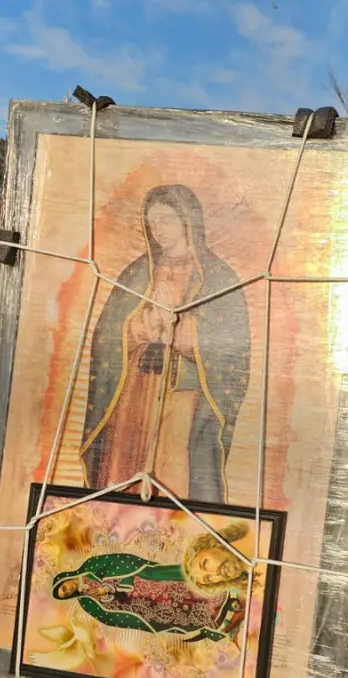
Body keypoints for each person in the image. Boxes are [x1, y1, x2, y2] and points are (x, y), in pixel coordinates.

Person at [81, 184, 249, 503]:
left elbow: (231, 345)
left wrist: (179, 331)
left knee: (175, 468)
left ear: (188, 221)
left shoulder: (218, 277)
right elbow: (108, 333)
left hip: (183, 395)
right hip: (135, 390)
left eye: (166, 220)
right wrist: (141, 328)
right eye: (152, 222)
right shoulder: (137, 272)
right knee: (126, 464)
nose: (158, 230)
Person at [48, 522, 255, 644]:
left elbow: (120, 562)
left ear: (66, 580)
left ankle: (230, 597)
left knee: (183, 590)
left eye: (64, 588)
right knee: (176, 613)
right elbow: (108, 617)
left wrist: (111, 586)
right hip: (140, 606)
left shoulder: (90, 566)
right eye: (66, 594)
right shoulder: (86, 603)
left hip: (145, 581)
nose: (68, 591)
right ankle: (222, 622)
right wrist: (109, 599)